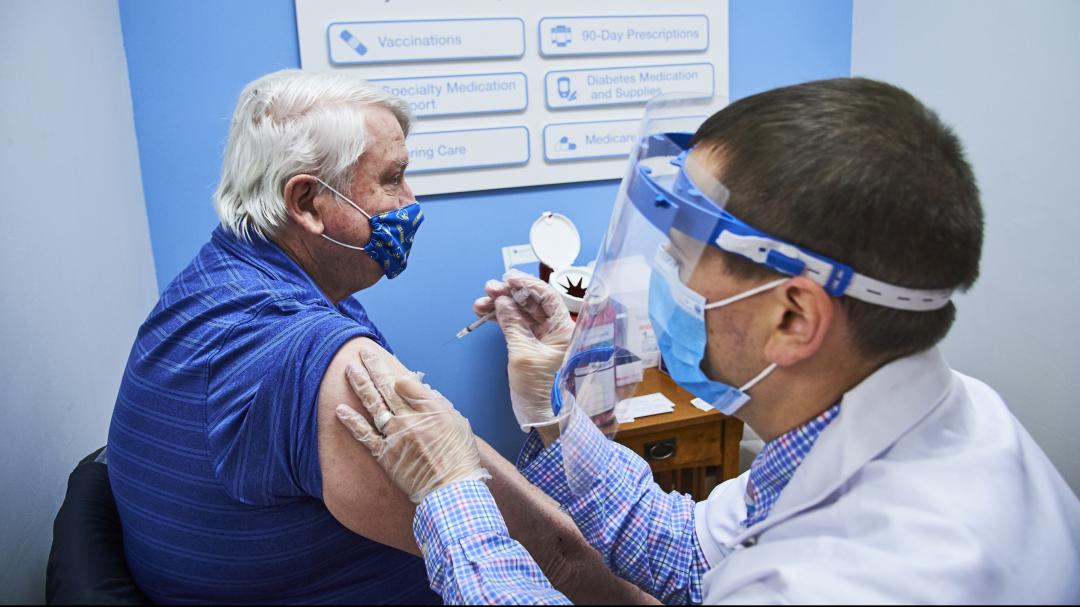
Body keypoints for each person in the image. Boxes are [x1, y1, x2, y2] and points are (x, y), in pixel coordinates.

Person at [335, 78, 1080, 604]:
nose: (661, 273)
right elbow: (689, 551)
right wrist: (551, 411)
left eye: (682, 252)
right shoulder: (936, 416)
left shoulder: (845, 581)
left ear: (793, 317)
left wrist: (451, 498)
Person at [106, 69, 650, 604]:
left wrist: (545, 410)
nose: (409, 201)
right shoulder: (321, 360)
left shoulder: (217, 282)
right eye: (392, 179)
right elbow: (555, 554)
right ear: (306, 202)